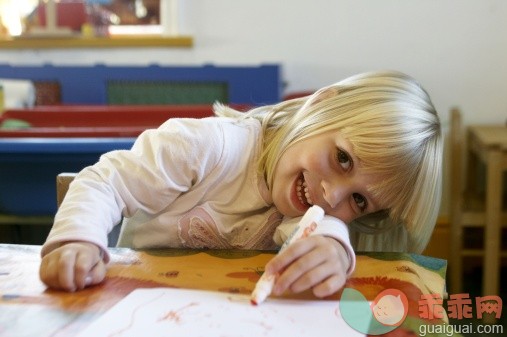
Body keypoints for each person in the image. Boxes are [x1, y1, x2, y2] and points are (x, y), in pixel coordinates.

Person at [39, 70, 443, 297]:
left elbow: (312, 232)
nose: (332, 195)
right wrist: (77, 240)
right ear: (319, 106)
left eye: (359, 201)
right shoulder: (207, 146)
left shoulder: (305, 204)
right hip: (137, 306)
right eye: (342, 158)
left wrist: (334, 247)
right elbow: (105, 181)